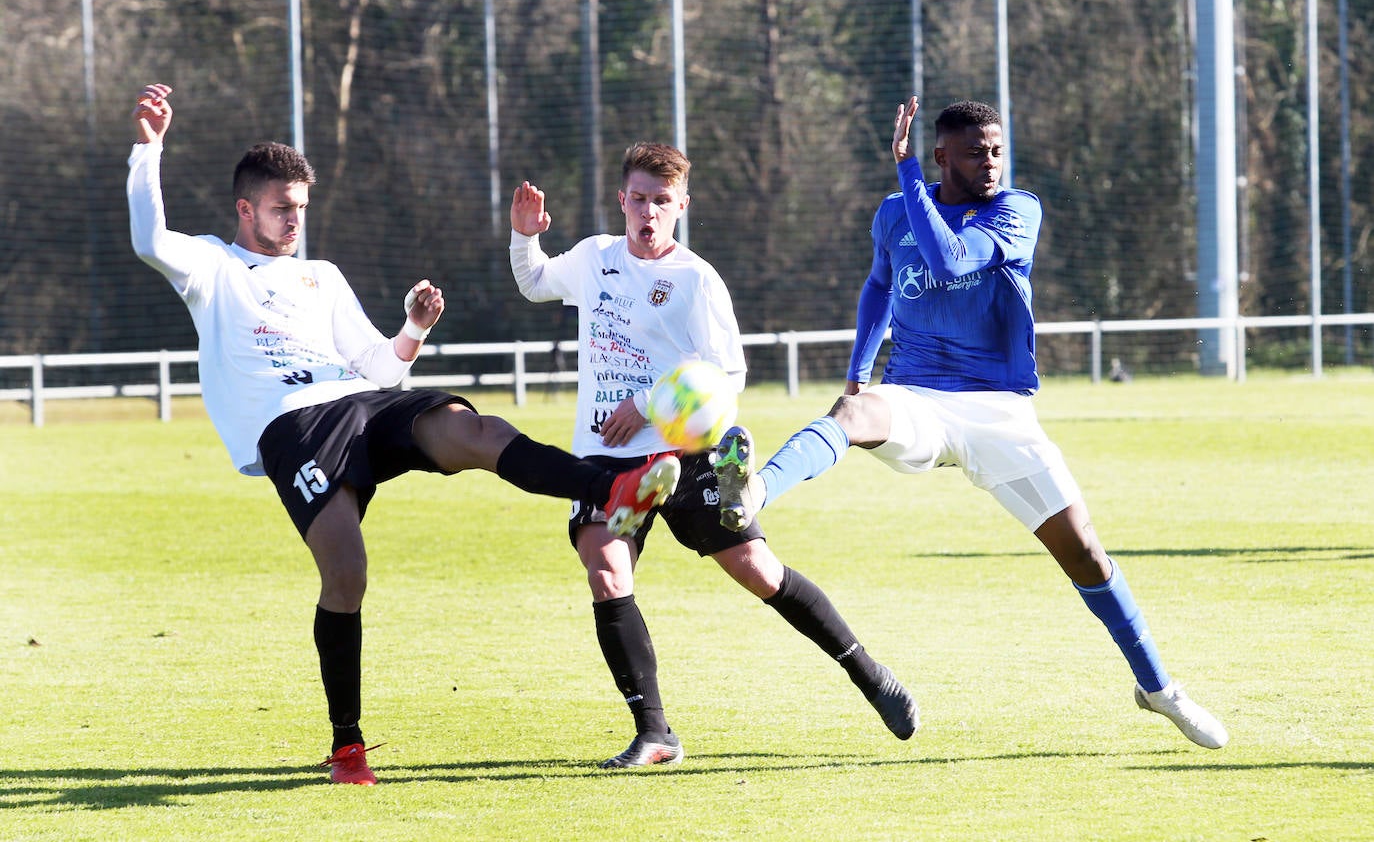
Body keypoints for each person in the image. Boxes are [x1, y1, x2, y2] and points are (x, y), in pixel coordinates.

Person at [126, 83, 680, 785]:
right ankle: (347, 744)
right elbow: (148, 238)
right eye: (281, 209)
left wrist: (414, 328)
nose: (295, 221)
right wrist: (149, 148)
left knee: (471, 431)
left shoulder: (320, 276)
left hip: (360, 403)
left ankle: (616, 486)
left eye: (301, 207)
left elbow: (379, 371)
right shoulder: (212, 266)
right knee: (347, 573)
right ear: (245, 209)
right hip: (291, 430)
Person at [714, 97, 1229, 750]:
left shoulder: (1017, 210)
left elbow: (950, 260)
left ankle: (1159, 689)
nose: (990, 162)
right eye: (975, 151)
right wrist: (858, 367)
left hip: (999, 412)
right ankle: (753, 491)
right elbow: (881, 283)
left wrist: (903, 172)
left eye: (996, 149)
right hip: (918, 396)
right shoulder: (894, 213)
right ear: (942, 157)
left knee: (1086, 554)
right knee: (851, 413)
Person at [508, 142, 919, 769]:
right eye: (639, 199)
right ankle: (656, 734)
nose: (648, 212)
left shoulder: (696, 280)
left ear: (682, 206)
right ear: (622, 199)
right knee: (606, 571)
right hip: (602, 458)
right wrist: (523, 237)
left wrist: (647, 406)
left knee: (761, 572)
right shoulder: (594, 258)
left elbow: (728, 375)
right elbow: (535, 282)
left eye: (662, 202)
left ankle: (870, 673)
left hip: (682, 453)